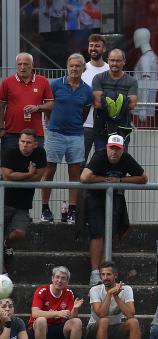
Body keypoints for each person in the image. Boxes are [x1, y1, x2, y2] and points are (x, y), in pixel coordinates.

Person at [80, 134, 147, 285]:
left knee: (111, 232)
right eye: (112, 149)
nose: (114, 152)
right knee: (97, 233)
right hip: (95, 198)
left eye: (117, 149)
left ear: (122, 150)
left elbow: (143, 178)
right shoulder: (99, 155)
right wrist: (107, 180)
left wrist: (121, 180)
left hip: (115, 197)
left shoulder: (127, 158)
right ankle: (95, 272)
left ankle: (106, 272)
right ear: (107, 148)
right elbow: (84, 177)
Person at [41, 53, 92, 223]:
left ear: (83, 69)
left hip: (76, 135)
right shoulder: (55, 85)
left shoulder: (87, 90)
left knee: (75, 173)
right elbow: (48, 108)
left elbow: (84, 113)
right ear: (67, 67)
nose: (74, 69)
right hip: (55, 134)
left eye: (78, 66)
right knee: (49, 171)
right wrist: (53, 124)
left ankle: (72, 210)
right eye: (72, 66)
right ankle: (45, 209)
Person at [87, 261, 146, 339]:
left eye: (108, 274)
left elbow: (130, 314)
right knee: (104, 320)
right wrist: (109, 294)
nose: (105, 277)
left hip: (114, 331)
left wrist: (116, 296)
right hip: (94, 330)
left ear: (115, 275)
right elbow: (101, 314)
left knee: (133, 322)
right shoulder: (95, 290)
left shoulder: (126, 289)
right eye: (103, 275)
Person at [2, 130, 47, 267]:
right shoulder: (10, 152)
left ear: (35, 144)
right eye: (22, 141)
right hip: (4, 201)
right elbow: (7, 176)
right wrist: (28, 174)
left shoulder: (40, 153)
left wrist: (22, 176)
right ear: (18, 142)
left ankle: (6, 244)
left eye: (28, 142)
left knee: (20, 233)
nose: (25, 145)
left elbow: (38, 177)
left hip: (23, 204)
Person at [27, 266, 84, 339]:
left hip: (58, 329)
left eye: (63, 278)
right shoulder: (42, 290)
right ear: (52, 278)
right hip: (38, 331)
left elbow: (71, 317)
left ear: (67, 281)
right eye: (57, 277)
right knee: (41, 320)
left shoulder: (68, 293)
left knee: (77, 322)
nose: (59, 280)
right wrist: (57, 313)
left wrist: (75, 309)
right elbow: (35, 313)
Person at [0, 52, 53, 157]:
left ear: (32, 65)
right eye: (19, 64)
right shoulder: (7, 82)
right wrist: (1, 128)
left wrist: (37, 108)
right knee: (8, 167)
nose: (22, 67)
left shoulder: (43, 81)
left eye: (26, 64)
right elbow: (1, 106)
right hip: (11, 133)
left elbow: (50, 104)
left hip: (35, 134)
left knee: (35, 167)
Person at [90, 49, 137, 152]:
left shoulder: (131, 81)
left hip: (122, 128)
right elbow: (97, 103)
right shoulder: (98, 78)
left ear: (124, 62)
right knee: (101, 159)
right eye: (112, 60)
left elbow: (132, 104)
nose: (114, 63)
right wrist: (122, 101)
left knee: (120, 161)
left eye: (118, 60)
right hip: (102, 128)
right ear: (108, 61)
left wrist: (106, 99)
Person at [81, 34, 109, 160]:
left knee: (102, 162)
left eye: (97, 46)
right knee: (80, 162)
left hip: (104, 124)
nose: (93, 48)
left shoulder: (110, 69)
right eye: (91, 45)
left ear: (104, 49)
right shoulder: (82, 69)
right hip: (84, 124)